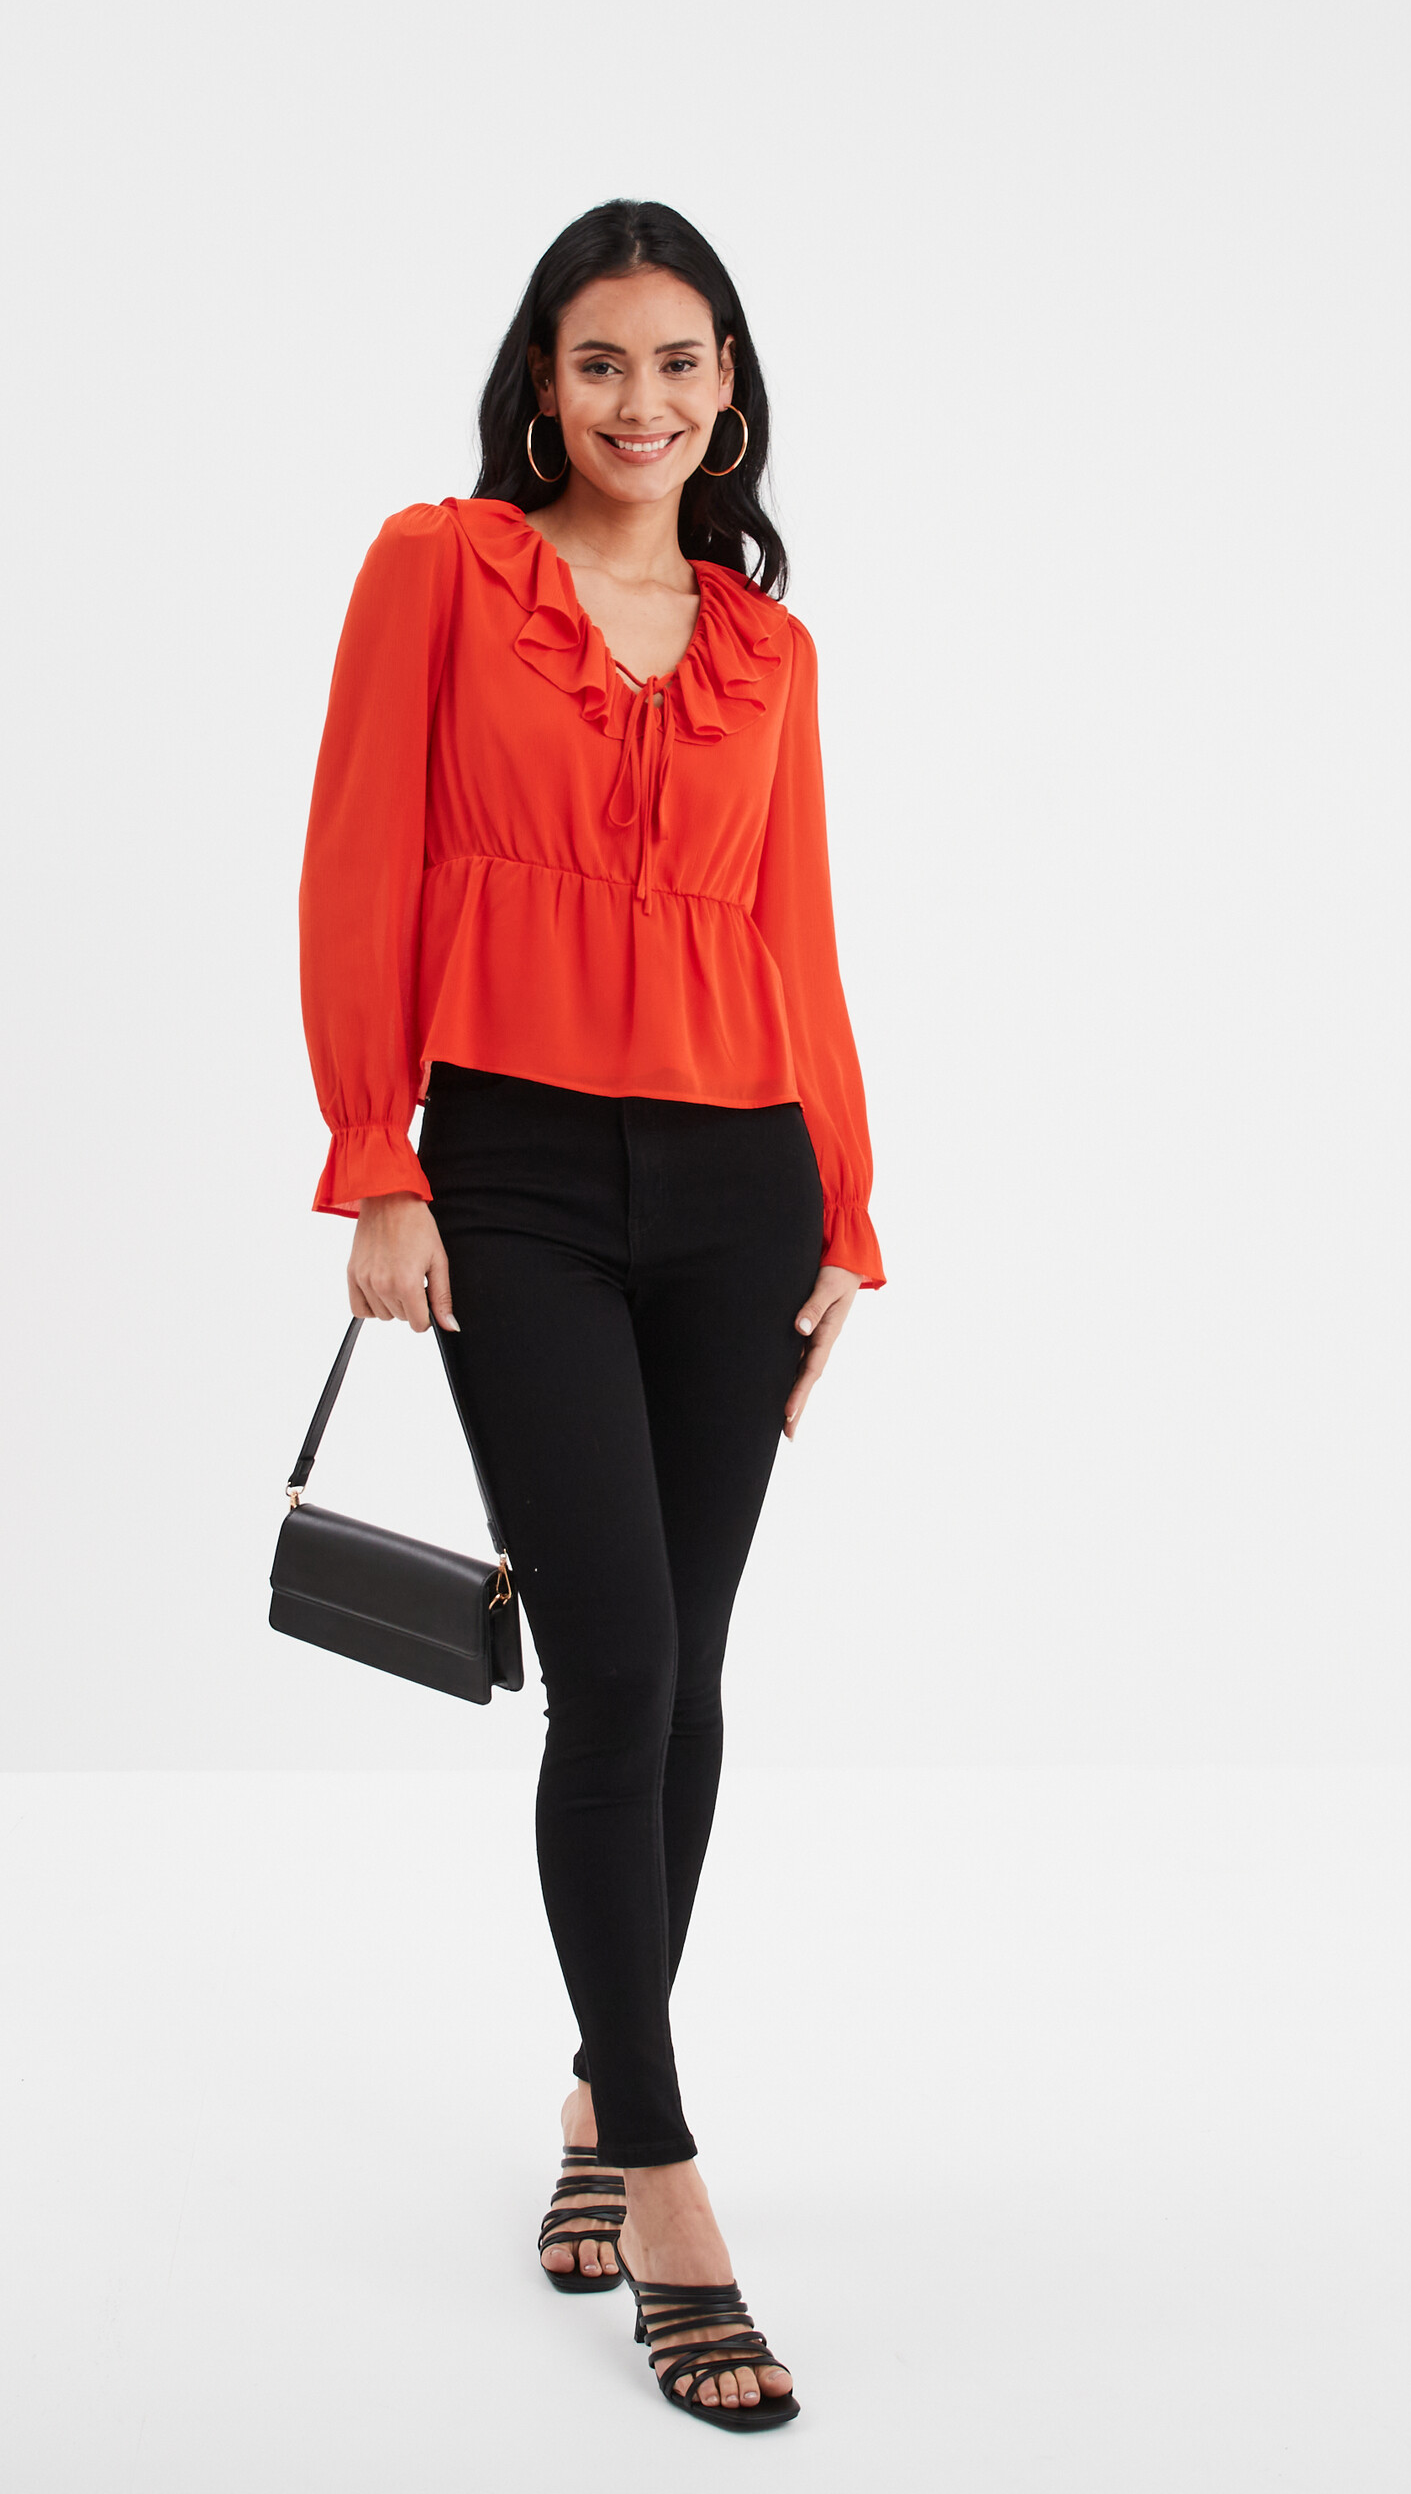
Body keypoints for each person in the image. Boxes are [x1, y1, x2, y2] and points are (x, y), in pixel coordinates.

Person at [295, 199, 881, 2433]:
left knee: (686, 1678)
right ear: (542, 382)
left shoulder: (768, 649)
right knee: (611, 1663)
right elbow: (358, 856)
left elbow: (800, 937)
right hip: (515, 1181)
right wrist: (377, 1154)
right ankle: (668, 2176)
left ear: (732, 388)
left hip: (742, 1189)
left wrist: (849, 1216)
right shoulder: (441, 571)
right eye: (603, 360)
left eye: (683, 361)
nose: (646, 402)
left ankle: (590, 2100)